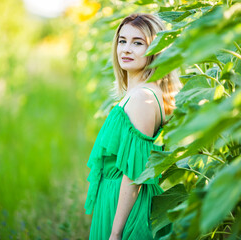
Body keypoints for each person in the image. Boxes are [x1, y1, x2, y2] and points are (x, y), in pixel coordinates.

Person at [84, 13, 179, 240]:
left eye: (138, 43)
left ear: (155, 50)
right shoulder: (140, 93)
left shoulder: (142, 99)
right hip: (116, 201)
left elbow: (133, 175)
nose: (126, 49)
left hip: (125, 208)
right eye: (122, 41)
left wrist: (116, 234)